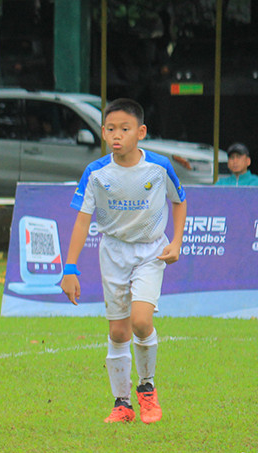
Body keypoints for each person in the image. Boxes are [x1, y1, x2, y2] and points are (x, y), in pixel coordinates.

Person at [61, 98, 187, 424]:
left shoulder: (159, 167)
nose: (117, 135)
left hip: (150, 251)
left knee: (141, 322)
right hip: (113, 252)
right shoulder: (96, 172)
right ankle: (122, 404)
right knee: (118, 332)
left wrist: (176, 242)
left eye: (125, 129)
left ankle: (147, 388)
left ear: (140, 132)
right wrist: (70, 268)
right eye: (111, 129)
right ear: (103, 132)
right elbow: (81, 221)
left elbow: (180, 201)